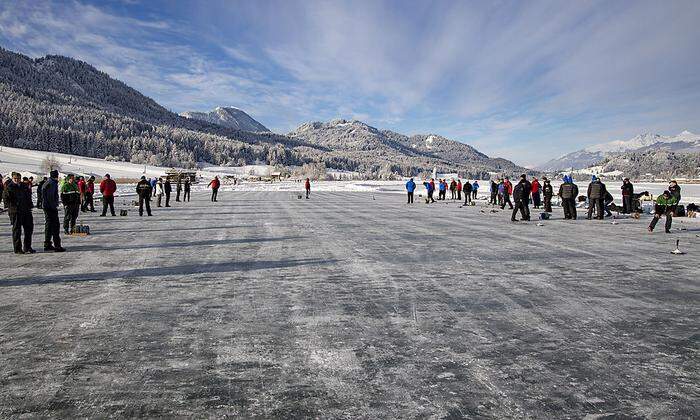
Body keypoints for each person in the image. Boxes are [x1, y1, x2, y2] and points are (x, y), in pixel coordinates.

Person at [2, 172, 34, 253]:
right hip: (15, 212)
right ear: (12, 179)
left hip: (26, 210)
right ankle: (18, 248)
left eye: (18, 178)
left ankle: (27, 247)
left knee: (29, 229)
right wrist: (12, 207)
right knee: (17, 230)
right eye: (15, 179)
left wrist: (30, 205)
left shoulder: (24, 186)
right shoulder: (9, 187)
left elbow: (28, 196)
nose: (17, 180)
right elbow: (6, 199)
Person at [41, 170, 65, 252]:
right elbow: (50, 196)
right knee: (55, 226)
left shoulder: (49, 182)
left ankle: (47, 244)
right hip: (50, 208)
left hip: (48, 207)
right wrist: (53, 206)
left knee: (49, 226)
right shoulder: (51, 183)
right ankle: (57, 245)